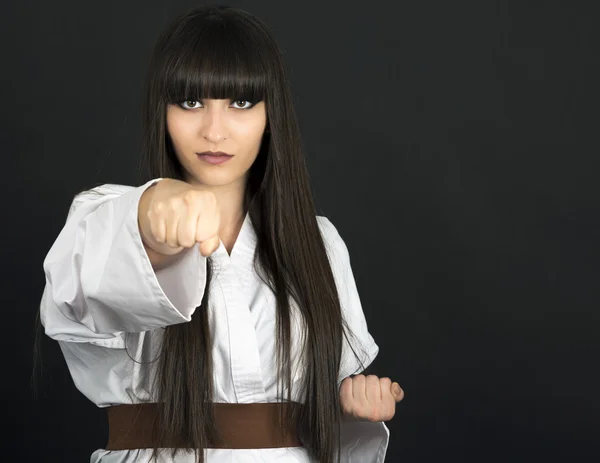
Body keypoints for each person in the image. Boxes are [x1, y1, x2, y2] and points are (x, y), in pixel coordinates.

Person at [39, 4, 404, 463]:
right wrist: (149, 220)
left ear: (272, 114)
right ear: (162, 112)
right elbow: (77, 288)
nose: (214, 131)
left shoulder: (319, 244)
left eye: (241, 102)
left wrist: (355, 401)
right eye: (191, 102)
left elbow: (329, 408)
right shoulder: (110, 218)